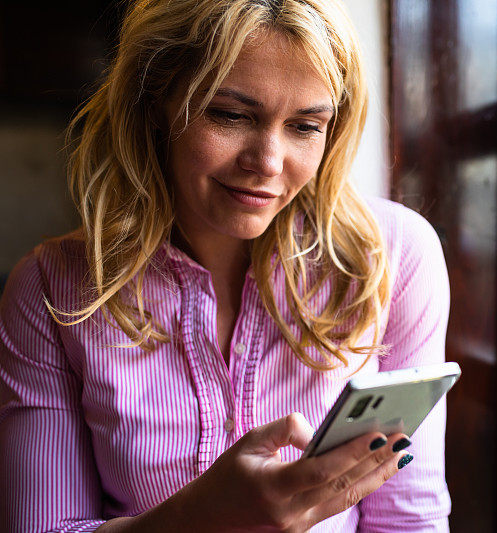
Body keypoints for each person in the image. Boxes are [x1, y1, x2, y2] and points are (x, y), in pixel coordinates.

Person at [0, 1, 451, 531]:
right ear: (155, 105)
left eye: (305, 126)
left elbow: (408, 517)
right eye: (231, 115)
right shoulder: (52, 288)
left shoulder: (392, 255)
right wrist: (198, 516)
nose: (267, 162)